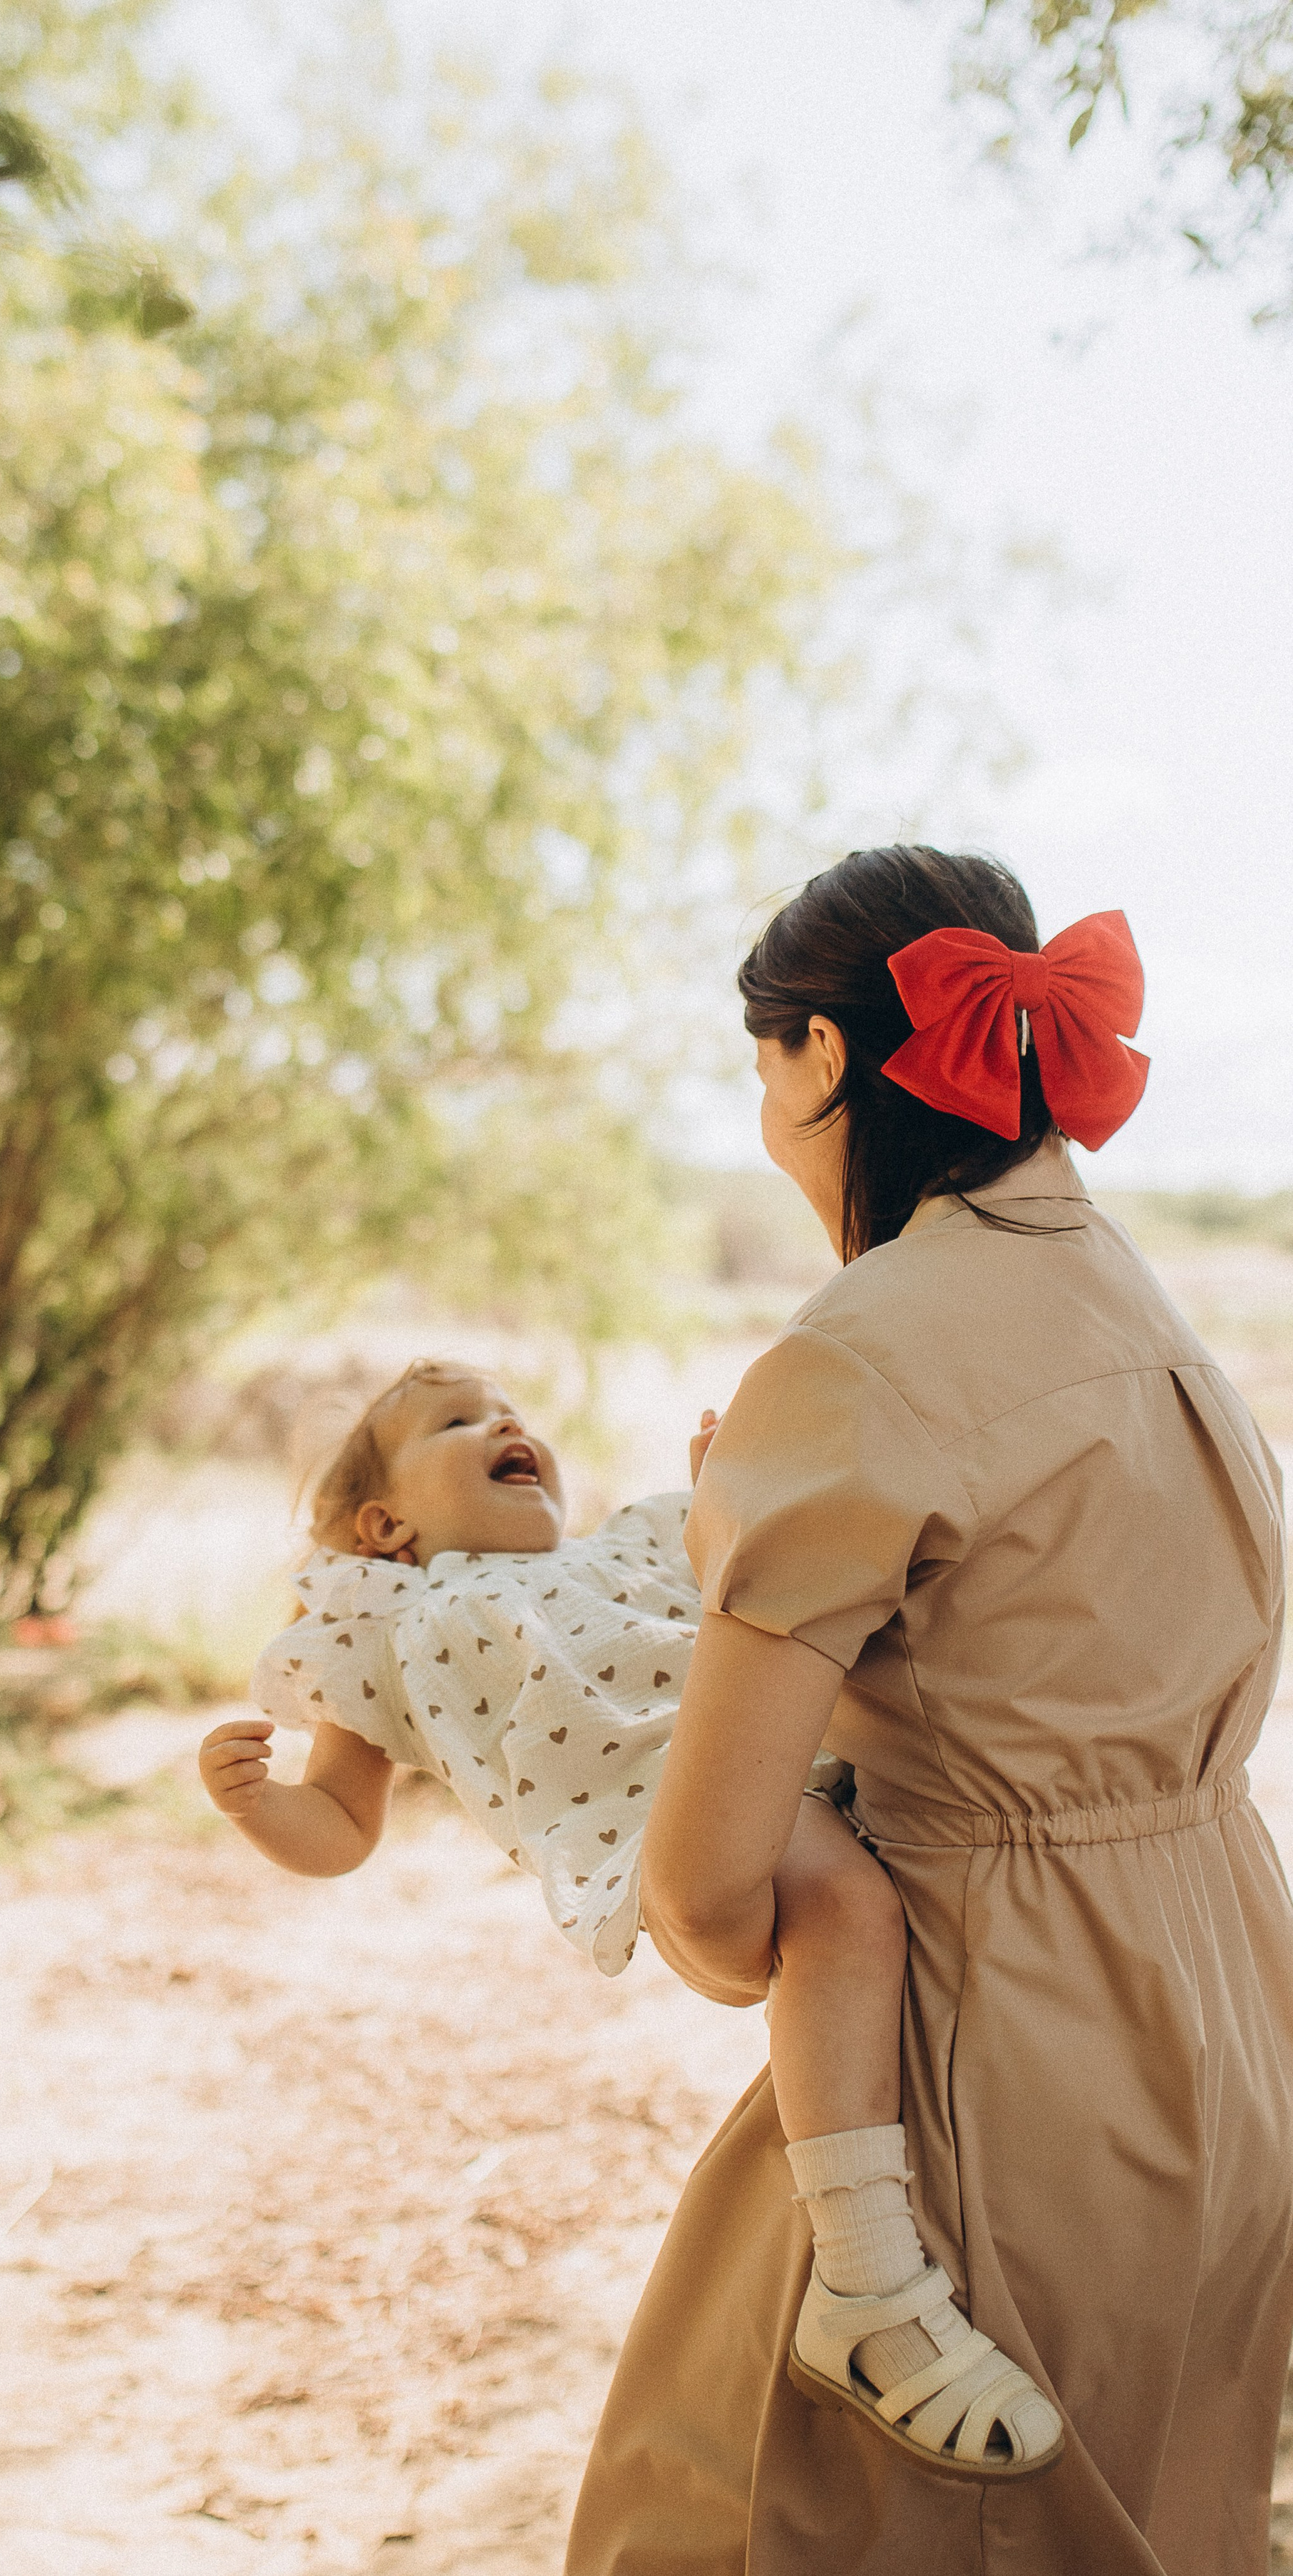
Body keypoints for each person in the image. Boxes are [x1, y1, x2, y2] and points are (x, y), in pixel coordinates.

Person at [567, 846, 1292, 2576]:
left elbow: (709, 1907)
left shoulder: (855, 1350)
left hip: (985, 2055)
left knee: (736, 2516)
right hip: (1233, 2021)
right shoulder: (1151, 1314)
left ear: (821, 1057)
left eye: (761, 1068)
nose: (762, 1112)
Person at [199, 1354, 1063, 2476]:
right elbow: (341, 1826)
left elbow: (743, 1583)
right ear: (385, 1524)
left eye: (510, 1408)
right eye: (458, 1421)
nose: (505, 1419)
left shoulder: (625, 1546)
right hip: (687, 1811)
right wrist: (257, 1803)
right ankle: (867, 2281)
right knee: (842, 1908)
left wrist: (731, 1496)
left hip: (785, 1733)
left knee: (935, 1873)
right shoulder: (386, 1619)